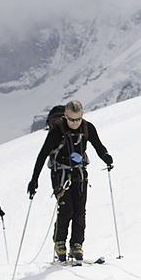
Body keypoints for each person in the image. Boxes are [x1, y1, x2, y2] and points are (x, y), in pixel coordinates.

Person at [27, 100, 113, 264]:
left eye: (78, 119)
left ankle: (76, 244)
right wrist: (34, 180)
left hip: (80, 172)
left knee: (80, 210)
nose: (75, 123)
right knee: (67, 209)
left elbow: (98, 146)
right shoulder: (56, 131)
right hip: (60, 173)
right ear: (65, 116)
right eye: (72, 119)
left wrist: (106, 157)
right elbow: (42, 155)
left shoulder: (88, 128)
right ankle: (60, 242)